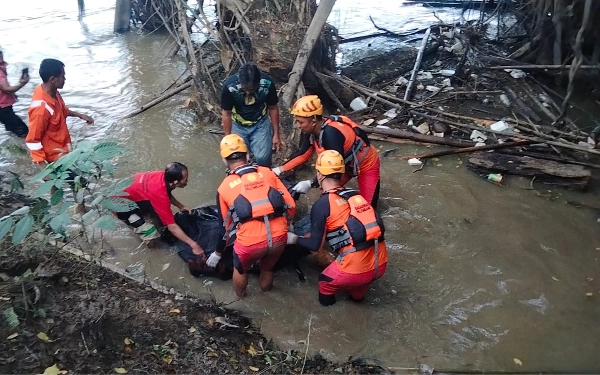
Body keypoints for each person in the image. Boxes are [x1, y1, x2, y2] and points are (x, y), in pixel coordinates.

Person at [286, 150, 388, 306]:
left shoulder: (323, 204)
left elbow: (314, 245)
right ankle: (357, 299)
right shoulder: (356, 196)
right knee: (356, 292)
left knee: (325, 281)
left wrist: (292, 238)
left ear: (320, 175)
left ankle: (329, 315)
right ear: (341, 174)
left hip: (356, 268)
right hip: (380, 264)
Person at [208, 134, 296, 298]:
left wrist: (218, 253)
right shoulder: (267, 172)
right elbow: (291, 205)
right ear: (247, 155)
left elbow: (225, 229)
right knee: (268, 268)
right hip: (278, 236)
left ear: (225, 160)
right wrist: (288, 227)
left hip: (249, 243)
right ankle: (267, 293)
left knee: (240, 269)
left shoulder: (224, 187)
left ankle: (240, 298)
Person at [271, 95, 381, 208]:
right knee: (326, 197)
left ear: (313, 119)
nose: (298, 126)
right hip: (345, 164)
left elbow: (334, 170)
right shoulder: (310, 131)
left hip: (365, 164)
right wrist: (279, 170)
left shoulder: (331, 134)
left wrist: (310, 183)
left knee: (368, 207)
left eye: (301, 122)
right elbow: (304, 154)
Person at [118, 162, 204, 256]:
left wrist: (181, 206)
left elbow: (167, 194)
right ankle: (155, 252)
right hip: (120, 206)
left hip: (133, 195)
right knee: (150, 233)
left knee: (159, 219)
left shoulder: (163, 176)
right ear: (176, 182)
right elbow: (172, 226)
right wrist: (194, 245)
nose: (187, 181)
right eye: (185, 179)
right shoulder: (160, 196)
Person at [25, 58, 94, 164]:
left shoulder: (52, 92)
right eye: (62, 76)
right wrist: (46, 173)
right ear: (52, 80)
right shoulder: (41, 109)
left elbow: (61, 111)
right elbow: (33, 140)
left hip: (65, 151)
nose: (65, 79)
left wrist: (79, 115)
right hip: (55, 159)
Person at [220, 62, 281, 167]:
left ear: (258, 83)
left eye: (252, 89)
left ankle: (264, 178)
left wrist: (276, 135)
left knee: (263, 159)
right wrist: (228, 138)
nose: (248, 92)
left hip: (260, 122)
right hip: (238, 124)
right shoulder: (229, 87)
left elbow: (273, 107)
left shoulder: (267, 83)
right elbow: (226, 113)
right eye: (245, 89)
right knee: (237, 159)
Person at [0, 46, 30, 138]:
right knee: (24, 131)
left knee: (13, 129)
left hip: (4, 108)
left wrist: (12, 94)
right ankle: (26, 151)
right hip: (3, 108)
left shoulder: (2, 69)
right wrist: (22, 84)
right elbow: (6, 89)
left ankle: (14, 147)